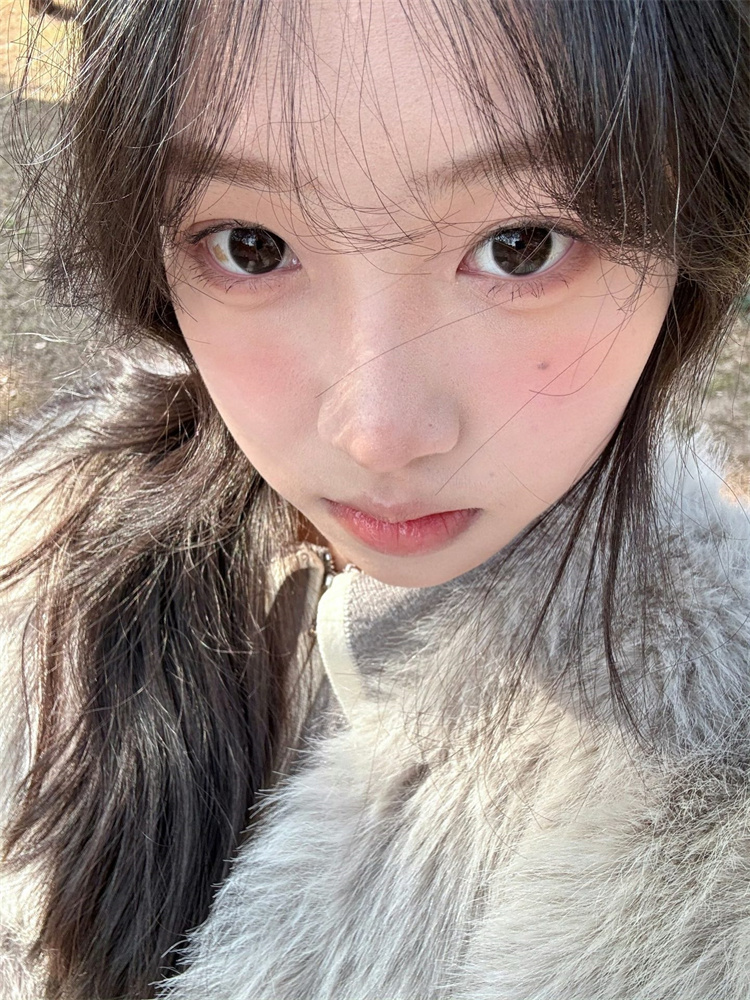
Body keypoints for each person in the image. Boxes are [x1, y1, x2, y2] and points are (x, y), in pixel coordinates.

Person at [1, 1, 748, 997]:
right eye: (252, 246)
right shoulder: (40, 550)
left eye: (522, 245)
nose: (378, 434)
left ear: (687, 231)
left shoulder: (711, 797)